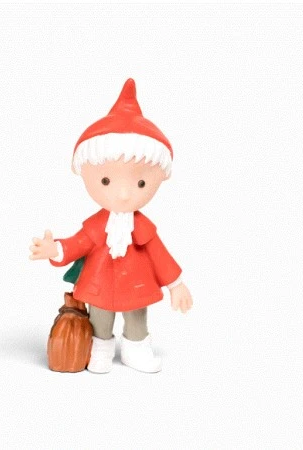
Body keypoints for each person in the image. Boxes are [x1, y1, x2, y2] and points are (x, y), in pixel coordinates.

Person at [30, 78, 193, 373]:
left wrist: (176, 285)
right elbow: (78, 243)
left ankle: (136, 349)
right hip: (100, 283)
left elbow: (160, 256)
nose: (124, 194)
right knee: (100, 319)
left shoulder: (144, 229)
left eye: (140, 182)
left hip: (137, 286)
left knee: (137, 318)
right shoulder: (97, 226)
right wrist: (55, 249)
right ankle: (100, 349)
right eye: (106, 180)